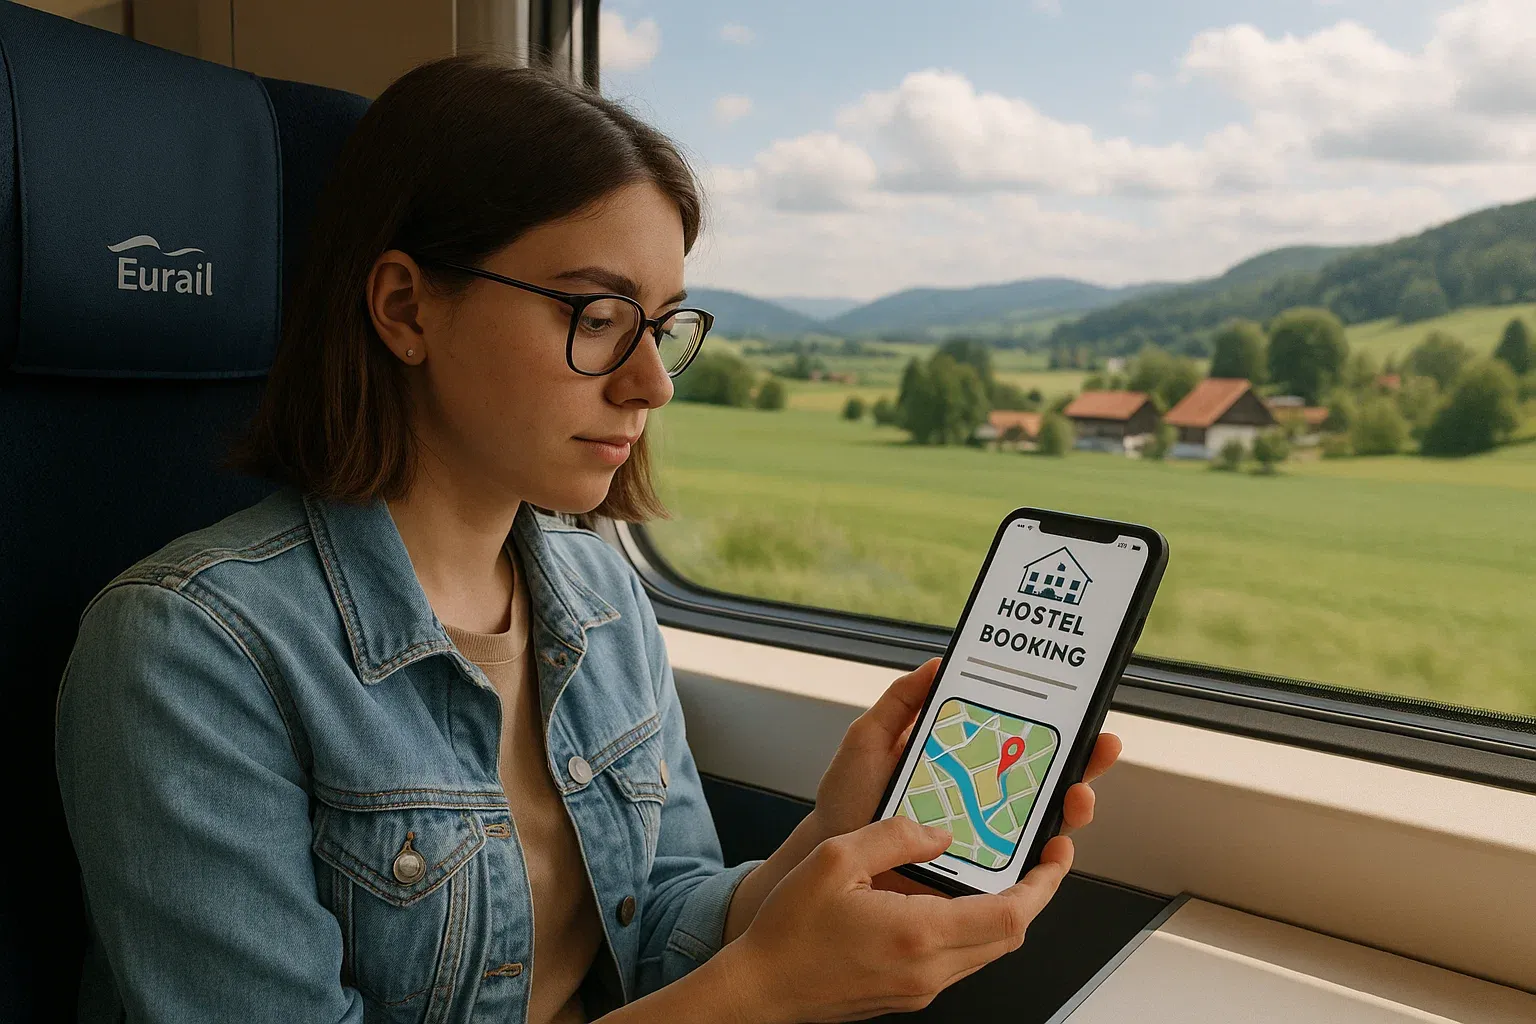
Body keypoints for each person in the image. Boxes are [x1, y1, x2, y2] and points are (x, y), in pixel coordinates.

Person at [54, 55, 1121, 1024]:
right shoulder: (188, 653)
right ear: (405, 307)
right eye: (597, 314)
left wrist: (819, 847)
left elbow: (652, 928)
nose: (651, 381)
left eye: (661, 326)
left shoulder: (601, 599)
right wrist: (761, 995)